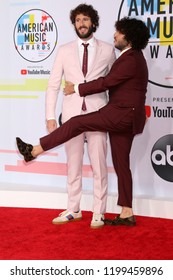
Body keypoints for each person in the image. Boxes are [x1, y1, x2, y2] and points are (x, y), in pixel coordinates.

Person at [16, 16, 150, 227]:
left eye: (119, 32)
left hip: (121, 114)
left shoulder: (130, 58)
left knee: (77, 123)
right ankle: (127, 212)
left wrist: (76, 88)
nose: (115, 35)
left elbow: (106, 82)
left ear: (130, 37)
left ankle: (35, 150)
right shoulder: (133, 56)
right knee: (122, 164)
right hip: (128, 116)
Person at [40, 4, 116, 228]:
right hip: (71, 116)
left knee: (99, 166)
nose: (81, 24)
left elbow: (113, 84)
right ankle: (73, 208)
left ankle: (98, 212)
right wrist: (50, 116)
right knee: (72, 165)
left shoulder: (108, 50)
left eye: (85, 19)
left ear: (93, 22)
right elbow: (53, 85)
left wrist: (113, 112)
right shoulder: (64, 50)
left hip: (98, 114)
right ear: (74, 24)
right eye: (78, 20)